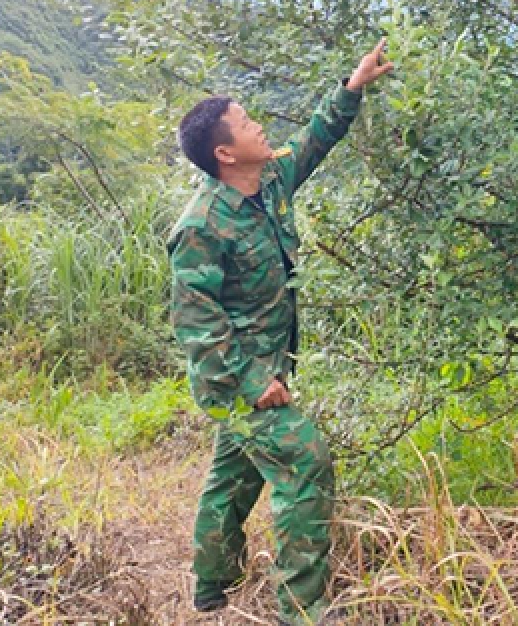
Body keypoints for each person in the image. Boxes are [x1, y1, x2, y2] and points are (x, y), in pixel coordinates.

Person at [168, 40, 393, 624]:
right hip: (236, 378)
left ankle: (210, 586)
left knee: (234, 476)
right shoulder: (202, 226)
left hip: (269, 363)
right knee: (303, 460)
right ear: (225, 151)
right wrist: (251, 381)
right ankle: (303, 607)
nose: (259, 125)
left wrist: (352, 87)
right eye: (246, 122)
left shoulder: (266, 184)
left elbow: (314, 141)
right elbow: (196, 321)